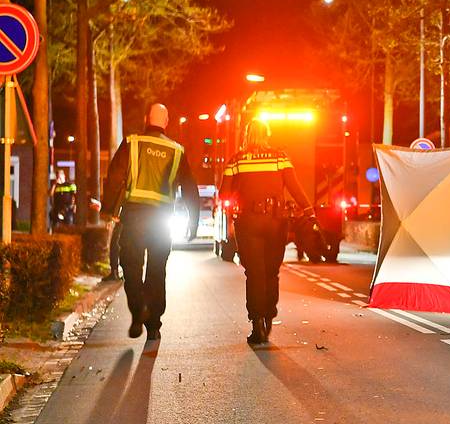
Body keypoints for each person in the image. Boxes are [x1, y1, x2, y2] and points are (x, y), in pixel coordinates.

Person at [103, 104, 200, 341]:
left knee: (131, 266)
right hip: (162, 219)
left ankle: (138, 311)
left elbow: (115, 176)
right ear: (166, 121)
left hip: (134, 216)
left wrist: (109, 210)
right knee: (157, 270)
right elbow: (189, 187)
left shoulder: (132, 143)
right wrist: (192, 220)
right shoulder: (176, 150)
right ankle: (154, 325)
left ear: (147, 119)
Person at [218, 119, 315, 345]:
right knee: (272, 271)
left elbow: (224, 195)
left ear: (246, 135)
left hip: (249, 222)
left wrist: (233, 210)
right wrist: (309, 211)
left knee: (254, 273)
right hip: (276, 221)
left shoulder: (237, 160)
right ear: (267, 134)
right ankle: (269, 314)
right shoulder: (280, 157)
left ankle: (257, 323)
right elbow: (294, 187)